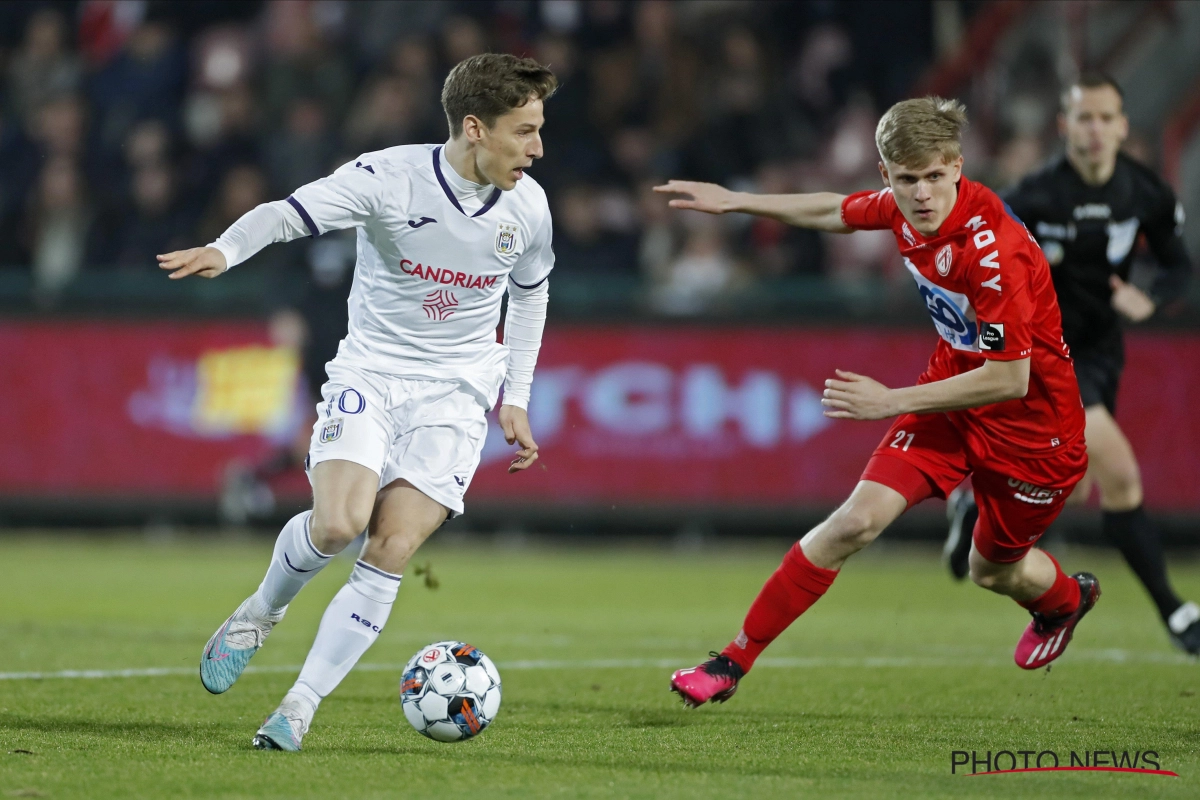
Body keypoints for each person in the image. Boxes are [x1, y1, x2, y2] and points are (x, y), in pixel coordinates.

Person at [158, 54, 557, 750]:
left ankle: (300, 706)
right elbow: (289, 215)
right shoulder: (388, 178)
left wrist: (514, 396)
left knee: (391, 545)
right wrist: (226, 250)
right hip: (370, 376)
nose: (537, 148)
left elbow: (530, 293)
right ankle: (261, 609)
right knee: (338, 526)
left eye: (538, 129)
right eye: (523, 131)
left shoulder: (529, 207)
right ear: (473, 129)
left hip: (457, 397)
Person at [656, 96, 1097, 708]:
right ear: (887, 175)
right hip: (951, 399)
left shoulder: (994, 251)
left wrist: (891, 400)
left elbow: (1010, 379)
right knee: (855, 522)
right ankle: (731, 661)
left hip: (1034, 432)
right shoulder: (903, 209)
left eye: (936, 178)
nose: (922, 194)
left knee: (992, 570)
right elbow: (836, 210)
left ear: (958, 167)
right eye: (908, 180)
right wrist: (737, 201)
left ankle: (1066, 601)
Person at [942, 73, 1197, 652]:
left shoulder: (1145, 193)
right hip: (1045, 355)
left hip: (1103, 351)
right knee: (1122, 475)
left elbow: (1178, 264)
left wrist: (1151, 296)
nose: (1097, 129)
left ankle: (973, 504)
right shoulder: (1033, 196)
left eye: (1107, 118)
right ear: (1065, 126)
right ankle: (1177, 612)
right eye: (1085, 118)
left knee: (1076, 488)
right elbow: (982, 258)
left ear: (1124, 125)